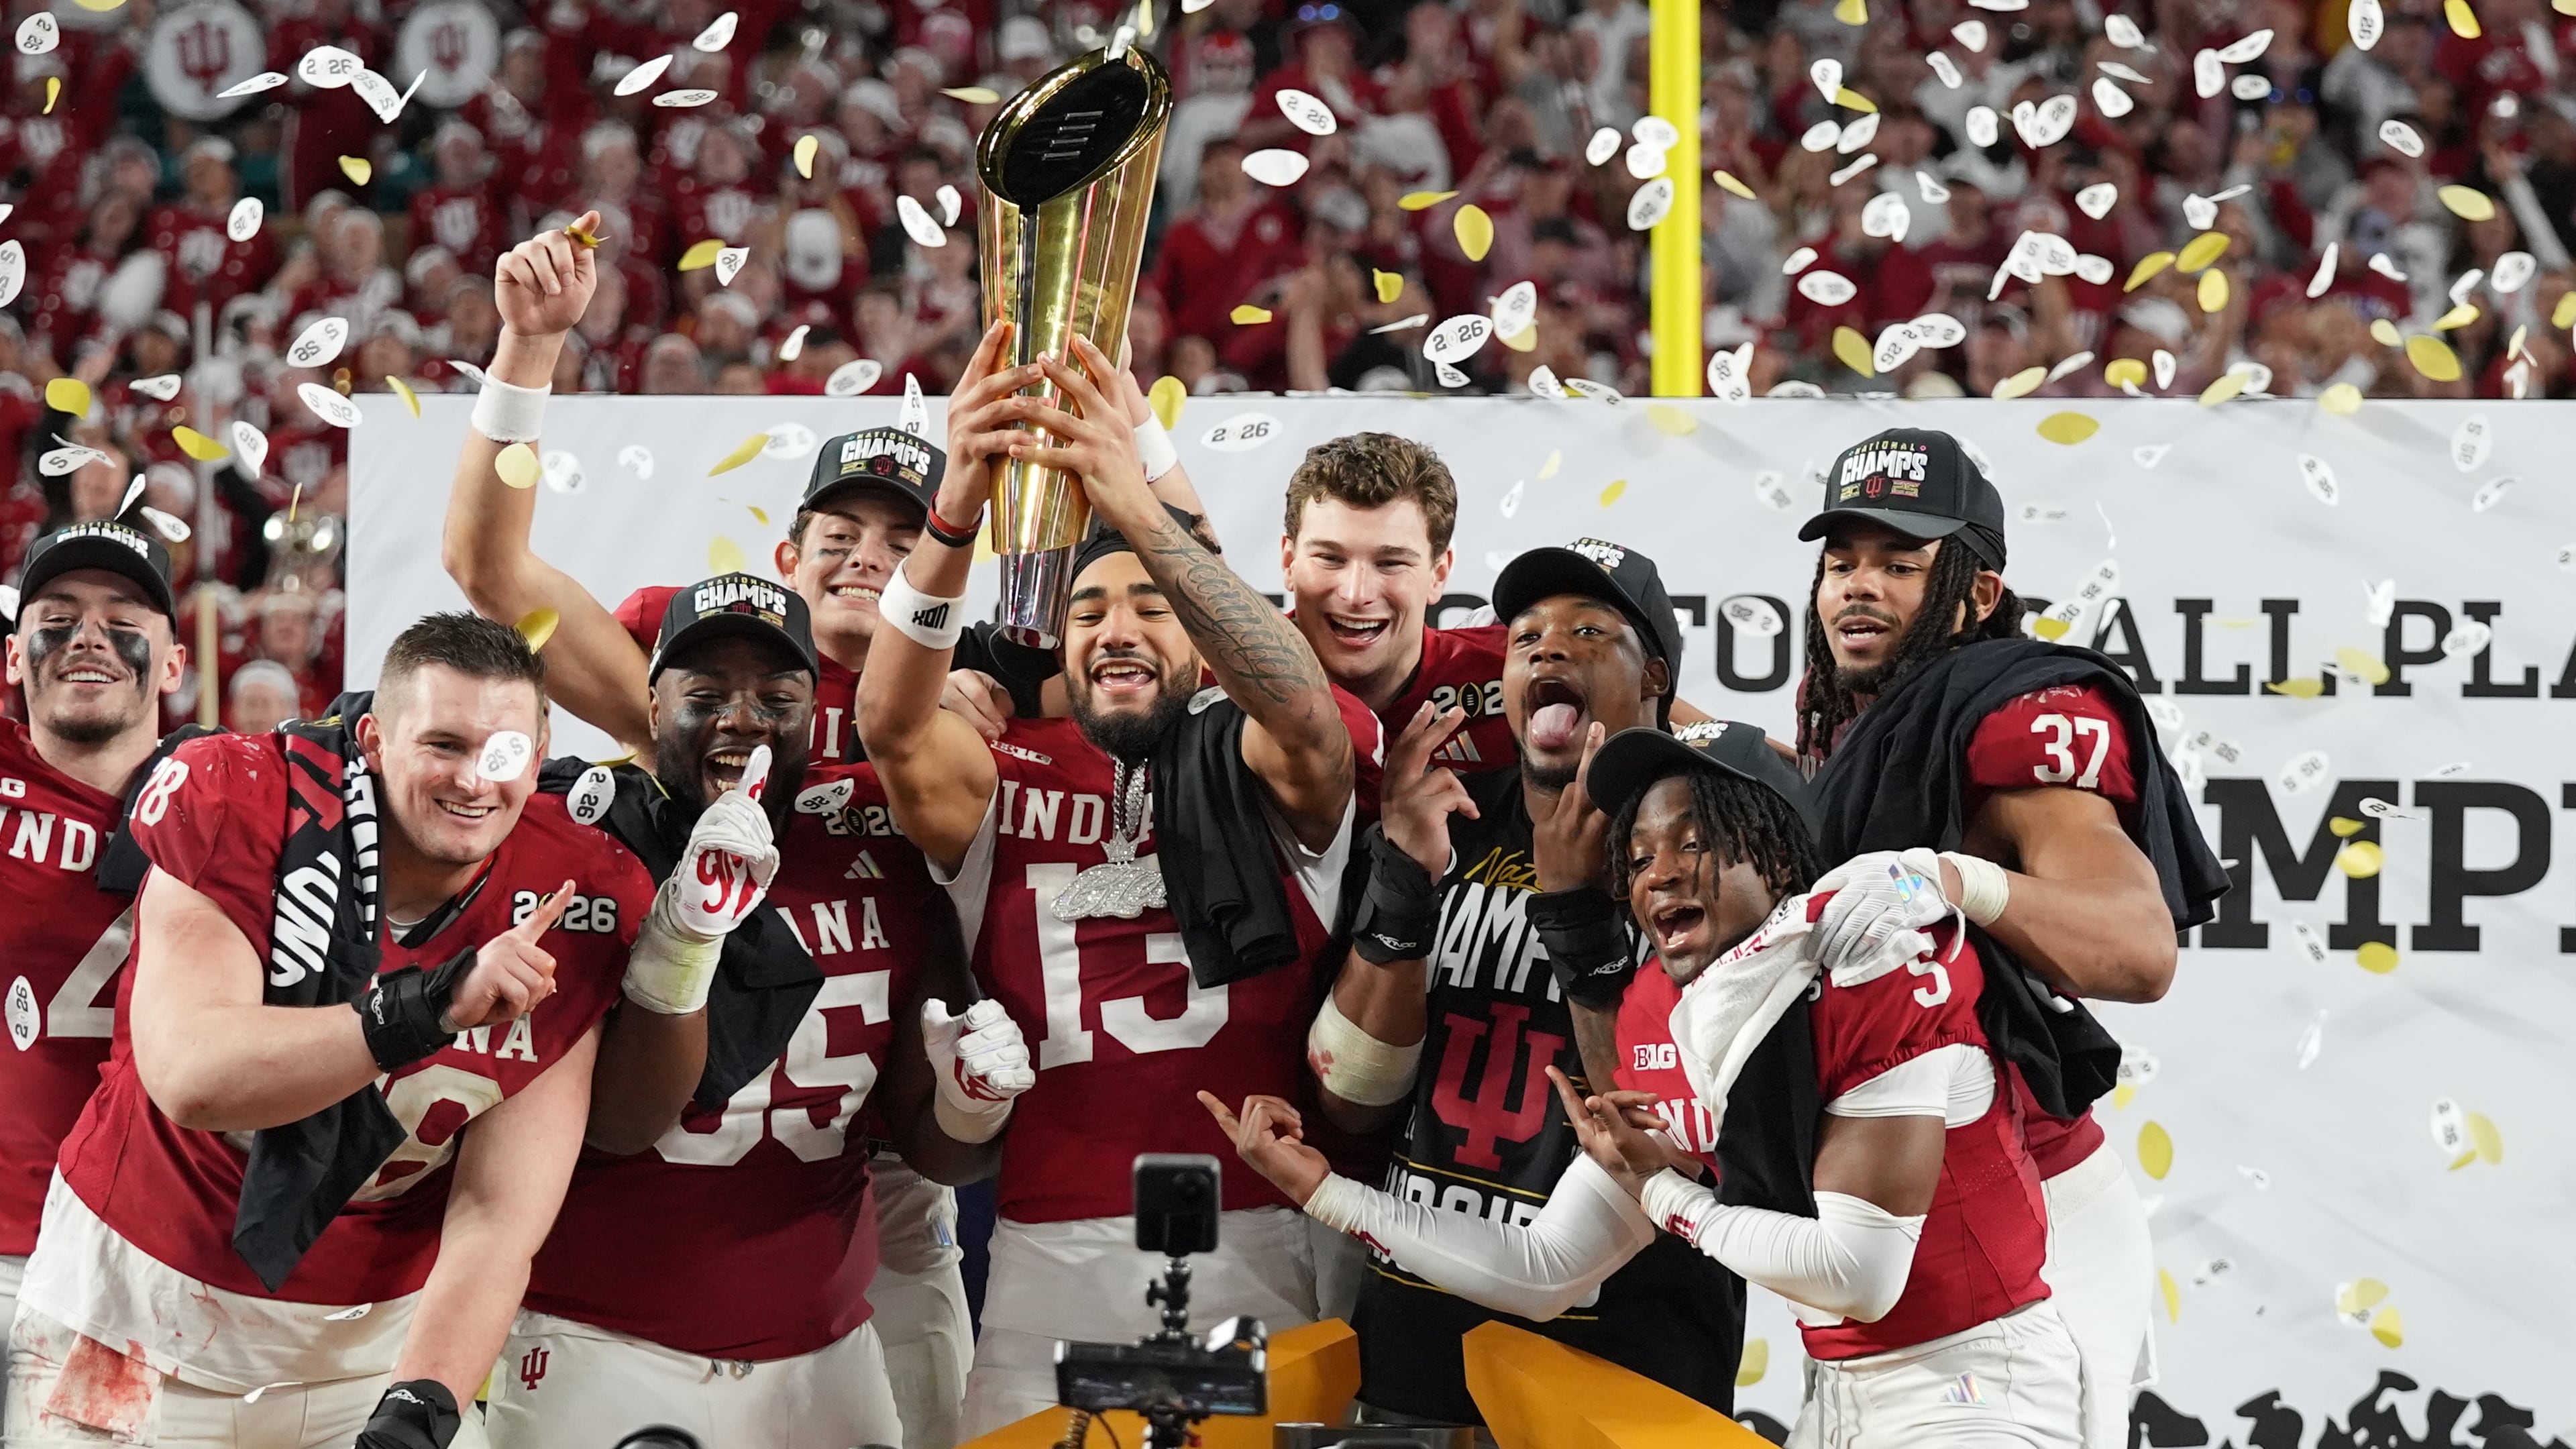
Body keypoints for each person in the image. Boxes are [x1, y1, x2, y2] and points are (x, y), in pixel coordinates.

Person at [441, 216, 1014, 1445]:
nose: (870, 562)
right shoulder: (697, 670)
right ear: (786, 555)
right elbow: (493, 572)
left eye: (905, 542)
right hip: (656, 1223)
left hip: (872, 1195)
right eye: (842, 538)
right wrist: (528, 352)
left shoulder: (962, 719)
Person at [1208, 718, 2087, 1448]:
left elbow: (1859, 1274)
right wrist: (1328, 1194)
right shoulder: (1662, 1010)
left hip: (1976, 1373)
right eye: (1637, 855)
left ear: (1777, 858)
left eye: (1694, 843)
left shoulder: (1872, 960)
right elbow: (1545, 1266)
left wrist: (1665, 1195)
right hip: (1841, 1388)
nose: (1657, 872)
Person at [858, 325, 1370, 1434]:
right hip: (1051, 1252)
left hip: (1264, 1235)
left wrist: (1140, 505)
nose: (1117, 630)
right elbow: (891, 726)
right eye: (1089, 611)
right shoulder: (1003, 767)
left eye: (1152, 606)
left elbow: (1304, 715)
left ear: (1201, 629)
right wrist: (954, 516)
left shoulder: (1259, 752)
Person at [4, 612, 657, 1448]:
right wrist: (424, 1010)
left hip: (370, 1352)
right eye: (444, 745)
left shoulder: (577, 888)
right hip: (132, 1317)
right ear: (376, 739)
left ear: (538, 752)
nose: (474, 782)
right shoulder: (245, 796)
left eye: (501, 754)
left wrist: (423, 1401)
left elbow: (499, 1213)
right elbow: (194, 1076)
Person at [484, 577, 1030, 1449]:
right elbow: (623, 1122)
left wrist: (973, 1098)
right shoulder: (579, 843)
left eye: (777, 698)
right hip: (598, 1337)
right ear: (652, 706)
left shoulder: (874, 836)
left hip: (824, 1350)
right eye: (706, 696)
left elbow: (930, 1146)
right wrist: (684, 937)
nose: (743, 719)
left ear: (816, 710)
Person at [1790, 427, 2229, 1449]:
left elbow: (2138, 948)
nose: (1861, 588)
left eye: (1901, 565)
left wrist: (1960, 880)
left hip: (2024, 1228)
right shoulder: (1857, 708)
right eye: (1842, 562)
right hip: (1910, 1221)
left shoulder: (2014, 716)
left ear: (1977, 595)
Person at [1301, 538, 1742, 1424]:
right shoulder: (1450, 817)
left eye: (1589, 632)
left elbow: (1667, 1124)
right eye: (1526, 635)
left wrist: (1581, 913)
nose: (1548, 648)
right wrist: (1400, 885)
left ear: (1654, 673)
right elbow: (1351, 1101)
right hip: (1415, 1350)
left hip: (1617, 1372)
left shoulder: (1717, 851)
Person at [0, 521, 188, 1424]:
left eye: (123, 618)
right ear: (12, 658)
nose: (88, 635)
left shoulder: (244, 802)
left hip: (128, 1269)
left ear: (175, 664)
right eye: (59, 615)